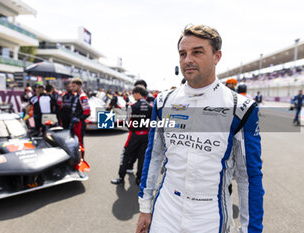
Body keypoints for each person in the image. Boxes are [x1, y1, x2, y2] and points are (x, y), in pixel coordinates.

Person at [136, 24, 264, 233]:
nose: (188, 59)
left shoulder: (240, 108)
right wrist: (145, 207)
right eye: (183, 54)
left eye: (197, 52)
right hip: (166, 209)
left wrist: (252, 229)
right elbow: (154, 156)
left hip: (210, 215)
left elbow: (249, 176)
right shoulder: (163, 101)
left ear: (217, 56)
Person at [111, 86, 152, 185]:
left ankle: (121, 178)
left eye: (133, 93)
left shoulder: (132, 106)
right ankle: (139, 179)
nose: (133, 95)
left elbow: (127, 122)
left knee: (126, 155)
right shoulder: (151, 107)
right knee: (142, 157)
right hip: (145, 135)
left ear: (138, 93)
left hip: (134, 135)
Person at [69, 78, 90, 155]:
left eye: (74, 86)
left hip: (79, 124)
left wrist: (78, 119)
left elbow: (87, 112)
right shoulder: (76, 95)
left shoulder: (82, 96)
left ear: (79, 86)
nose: (72, 88)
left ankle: (81, 160)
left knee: (80, 143)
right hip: (74, 123)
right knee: (75, 143)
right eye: (72, 86)